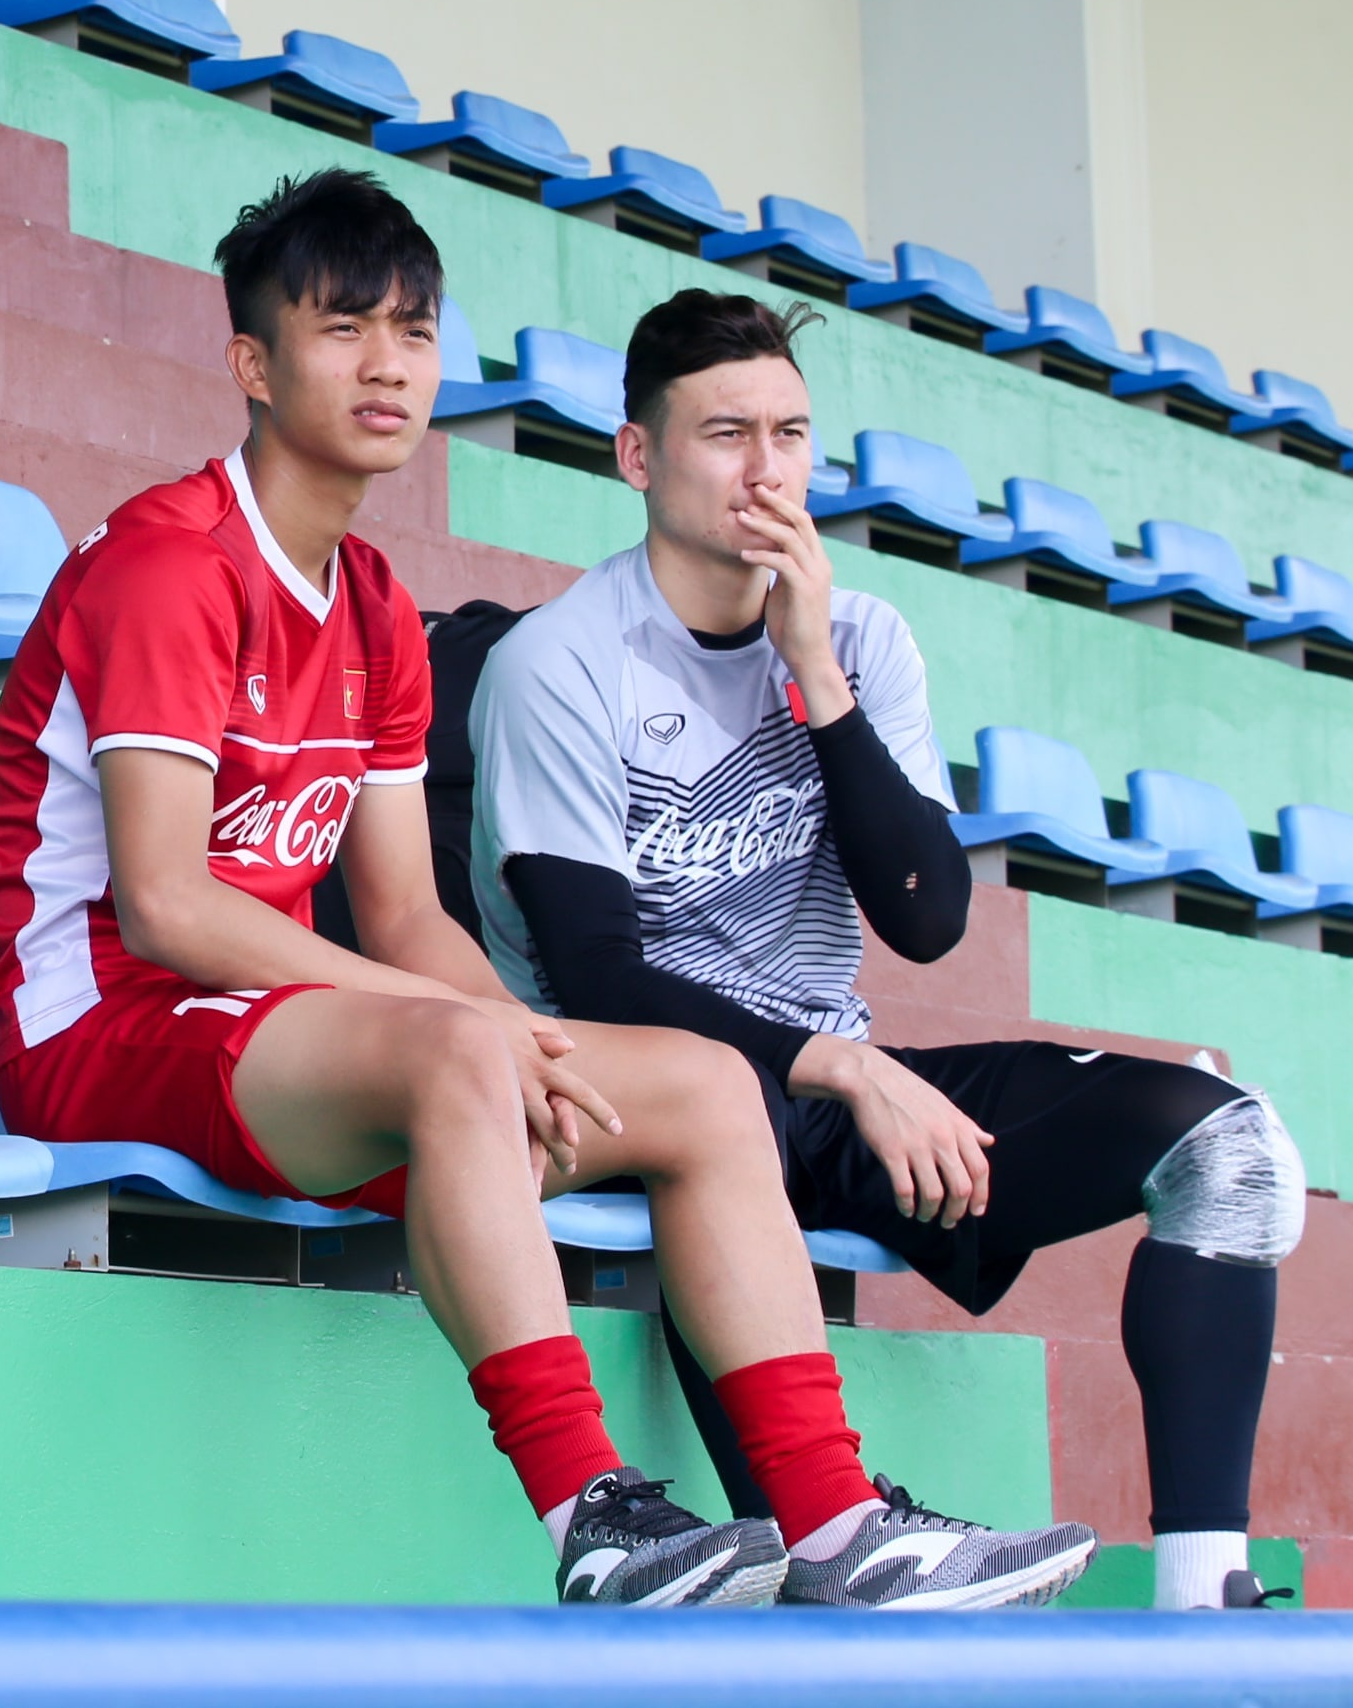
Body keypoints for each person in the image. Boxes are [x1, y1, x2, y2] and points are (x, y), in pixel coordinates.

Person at [0, 170, 1095, 1609]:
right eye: (343, 327)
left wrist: (532, 1042)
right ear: (251, 362)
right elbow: (169, 906)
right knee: (455, 1045)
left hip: (275, 1036)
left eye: (415, 329)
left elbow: (407, 918)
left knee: (694, 1080)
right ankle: (594, 1516)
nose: (389, 363)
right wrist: (479, 1036)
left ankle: (830, 1525)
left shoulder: (372, 599)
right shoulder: (165, 568)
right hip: (96, 1028)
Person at [471, 289, 1304, 1612]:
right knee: (732, 1104)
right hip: (652, 1100)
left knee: (1230, 1149)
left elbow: (924, 917)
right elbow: (594, 976)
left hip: (828, 1071)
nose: (767, 472)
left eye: (790, 434)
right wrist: (842, 1071)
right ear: (636, 455)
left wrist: (815, 668)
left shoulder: (858, 639)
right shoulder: (555, 663)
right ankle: (823, 1536)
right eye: (725, 433)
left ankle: (1204, 1594)